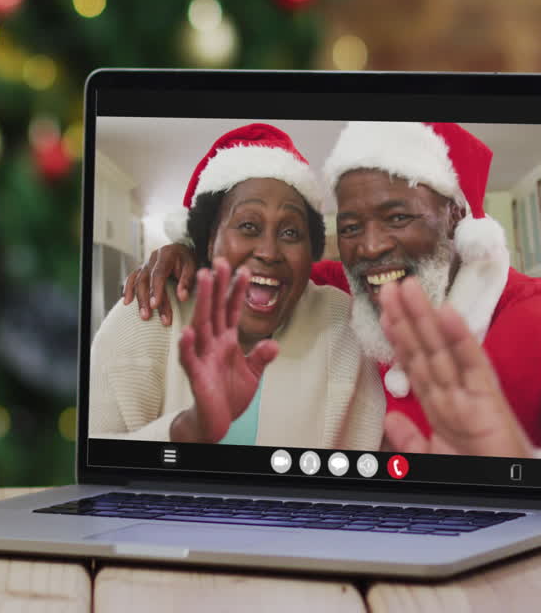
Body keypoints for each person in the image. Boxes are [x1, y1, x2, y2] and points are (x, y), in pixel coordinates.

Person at [123, 121, 541, 460]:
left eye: (398, 218)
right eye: (352, 225)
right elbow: (273, 276)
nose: (370, 247)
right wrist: (187, 252)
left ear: (457, 216)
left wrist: (514, 471)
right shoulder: (348, 295)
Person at [90, 123, 384, 449]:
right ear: (206, 241)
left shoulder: (342, 323)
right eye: (247, 226)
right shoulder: (147, 312)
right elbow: (93, 464)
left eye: (290, 233)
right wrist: (189, 429)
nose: (270, 252)